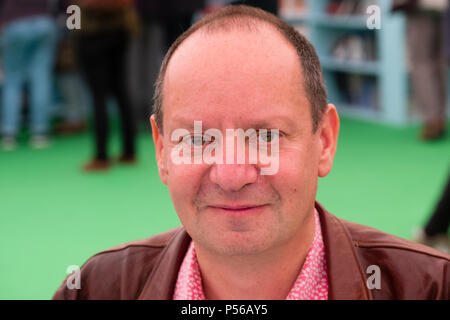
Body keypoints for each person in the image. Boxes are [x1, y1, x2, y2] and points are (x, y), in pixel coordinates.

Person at [53, 5, 449, 300]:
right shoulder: (94, 289)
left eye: (267, 136)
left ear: (324, 141)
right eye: (196, 139)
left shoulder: (432, 288)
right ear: (162, 151)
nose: (231, 174)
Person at [75, 0, 138, 171]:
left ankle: (101, 155)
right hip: (120, 29)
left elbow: (74, 8)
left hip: (90, 32)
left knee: (98, 94)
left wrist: (72, 30)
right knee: (121, 89)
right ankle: (129, 151)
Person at [0, 0, 58, 150]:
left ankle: (9, 134)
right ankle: (40, 133)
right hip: (43, 22)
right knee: (41, 78)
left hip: (14, 24)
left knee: (12, 80)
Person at [393, 0, 448, 140]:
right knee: (438, 62)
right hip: (443, 8)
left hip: (420, 7)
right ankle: (439, 117)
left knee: (421, 63)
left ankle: (432, 119)